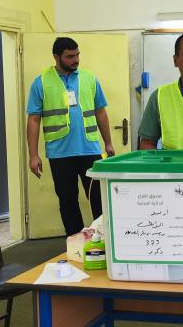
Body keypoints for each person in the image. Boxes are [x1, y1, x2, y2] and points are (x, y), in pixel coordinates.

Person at [26, 37, 115, 236]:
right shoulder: (41, 82)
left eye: (77, 55)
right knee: (67, 201)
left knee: (98, 199)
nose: (76, 60)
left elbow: (100, 111)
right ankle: (75, 242)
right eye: (70, 56)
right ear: (56, 57)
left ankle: (103, 239)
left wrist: (108, 142)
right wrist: (33, 155)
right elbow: (34, 119)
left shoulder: (89, 78)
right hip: (60, 153)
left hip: (89, 150)